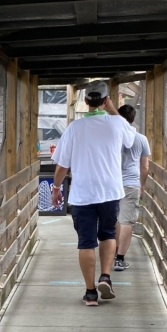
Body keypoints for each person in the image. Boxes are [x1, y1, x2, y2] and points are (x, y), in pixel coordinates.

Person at [50, 80, 136, 306]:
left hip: (82, 194)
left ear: (85, 101)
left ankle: (90, 293)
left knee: (86, 242)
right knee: (108, 234)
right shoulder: (117, 123)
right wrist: (112, 109)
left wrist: (56, 189)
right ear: (106, 100)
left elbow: (62, 166)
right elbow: (130, 139)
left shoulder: (74, 128)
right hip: (110, 192)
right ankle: (105, 277)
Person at [113, 104, 150, 272]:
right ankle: (120, 259)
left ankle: (112, 251)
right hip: (131, 183)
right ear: (133, 119)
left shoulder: (112, 136)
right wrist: (142, 184)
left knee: (115, 219)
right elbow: (145, 166)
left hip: (111, 183)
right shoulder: (141, 139)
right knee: (126, 220)